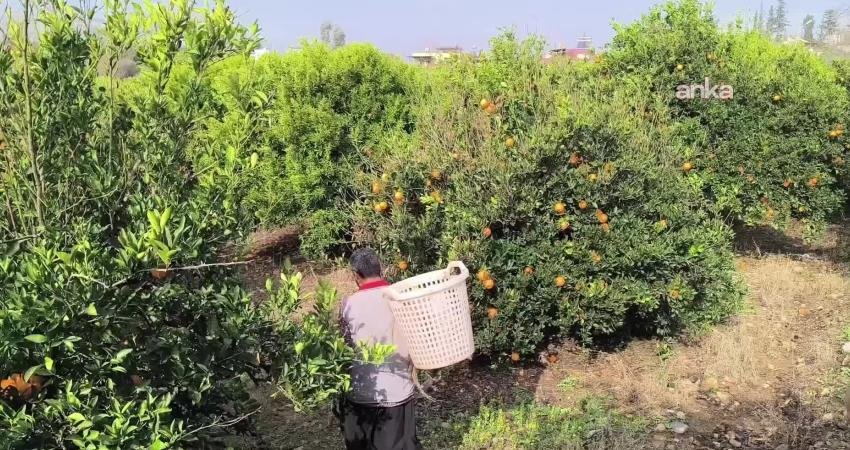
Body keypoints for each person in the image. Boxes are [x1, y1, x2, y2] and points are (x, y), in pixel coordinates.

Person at [335, 248, 422, 450]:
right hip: (396, 393)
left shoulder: (347, 304)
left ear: (355, 275)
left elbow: (343, 350)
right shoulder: (400, 298)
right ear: (380, 269)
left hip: (360, 395)